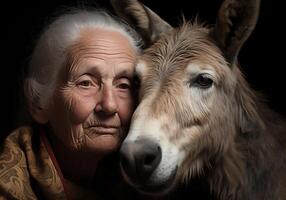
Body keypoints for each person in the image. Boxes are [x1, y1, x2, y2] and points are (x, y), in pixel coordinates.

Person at [0, 8, 142, 200]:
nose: (109, 105)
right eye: (86, 83)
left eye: (123, 85)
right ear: (37, 102)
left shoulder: (136, 182)